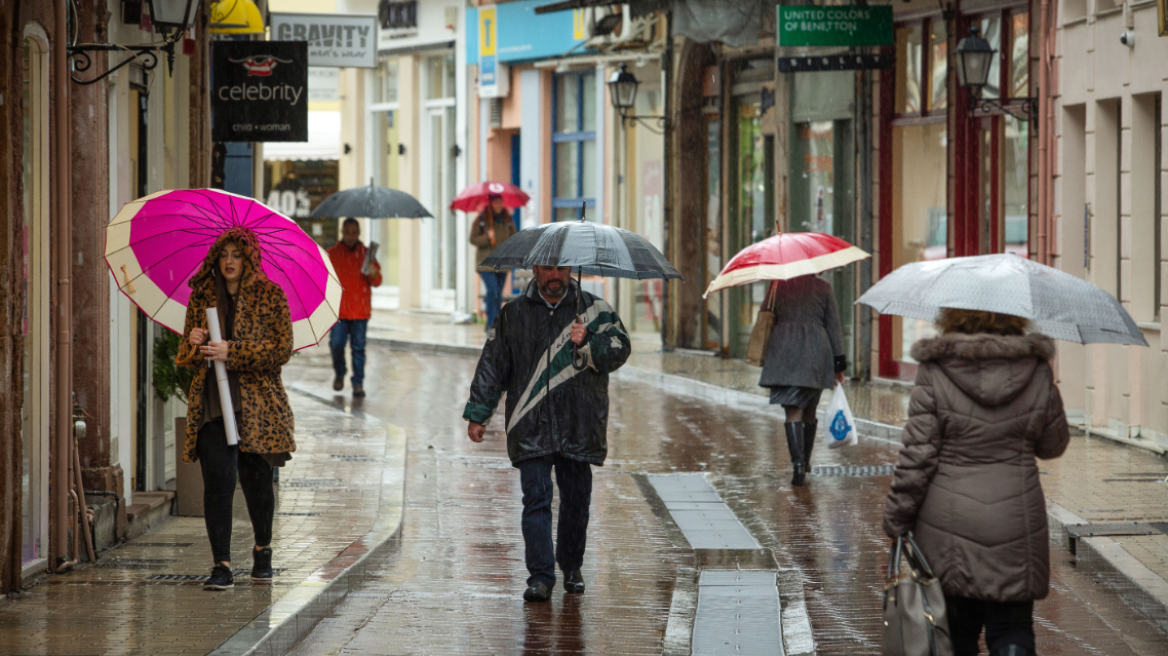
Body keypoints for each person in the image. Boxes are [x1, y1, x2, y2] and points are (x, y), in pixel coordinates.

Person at [883, 309, 1070, 656]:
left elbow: (917, 456)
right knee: (1012, 627)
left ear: (953, 316)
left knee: (955, 634)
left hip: (947, 527)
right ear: (1014, 318)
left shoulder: (935, 369)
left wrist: (896, 518)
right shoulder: (1037, 368)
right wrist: (1048, 395)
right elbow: (1053, 446)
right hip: (1016, 522)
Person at [463, 265, 631, 602]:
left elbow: (621, 349)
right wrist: (480, 413)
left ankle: (571, 566)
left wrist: (590, 341)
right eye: (547, 268)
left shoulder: (594, 310)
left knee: (575, 501)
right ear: (536, 270)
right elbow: (493, 364)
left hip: (579, 421)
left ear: (569, 269)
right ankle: (540, 576)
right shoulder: (513, 314)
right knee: (536, 500)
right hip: (531, 420)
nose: (554, 274)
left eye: (560, 268)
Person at [177, 228, 295, 591]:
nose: (230, 261)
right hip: (213, 401)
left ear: (249, 258)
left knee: (256, 480)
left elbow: (281, 350)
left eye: (237, 254)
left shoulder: (271, 295)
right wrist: (195, 342)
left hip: (256, 404)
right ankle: (222, 566)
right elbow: (185, 355)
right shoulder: (202, 297)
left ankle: (262, 550)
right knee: (218, 480)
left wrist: (234, 351)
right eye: (224, 254)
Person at [757, 274, 847, 486]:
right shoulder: (824, 287)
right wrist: (839, 365)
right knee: (810, 408)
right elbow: (833, 326)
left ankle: (798, 466)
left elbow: (764, 313)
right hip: (816, 352)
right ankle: (805, 462)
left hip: (784, 349)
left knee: (792, 410)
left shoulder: (778, 285)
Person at [327, 218, 382, 397]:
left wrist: (374, 274)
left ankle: (358, 382)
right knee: (336, 345)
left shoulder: (368, 255)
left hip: (360, 310)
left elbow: (377, 281)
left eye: (354, 233)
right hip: (338, 311)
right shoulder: (332, 254)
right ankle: (340, 373)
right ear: (342, 232)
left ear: (359, 234)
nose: (351, 236)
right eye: (347, 232)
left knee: (358, 349)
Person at [468, 194, 517, 330]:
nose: (498, 205)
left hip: (502, 263)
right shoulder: (481, 220)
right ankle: (491, 322)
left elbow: (515, 238)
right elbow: (472, 239)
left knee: (497, 294)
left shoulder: (508, 220)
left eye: (500, 202)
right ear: (490, 204)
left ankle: (495, 321)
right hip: (486, 264)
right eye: (495, 203)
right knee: (493, 291)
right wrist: (487, 237)